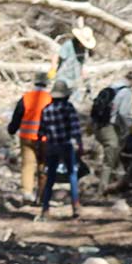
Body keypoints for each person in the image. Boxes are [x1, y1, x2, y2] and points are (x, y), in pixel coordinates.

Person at [37, 81, 85, 221]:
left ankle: (45, 209)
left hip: (52, 146)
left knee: (50, 177)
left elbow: (41, 132)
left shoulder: (46, 109)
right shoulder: (68, 108)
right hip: (66, 145)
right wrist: (80, 145)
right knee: (72, 175)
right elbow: (75, 128)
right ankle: (75, 206)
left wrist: (41, 148)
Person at [6, 75, 53, 204]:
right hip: (44, 139)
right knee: (43, 167)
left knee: (28, 165)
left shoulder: (26, 98)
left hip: (26, 137)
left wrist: (11, 130)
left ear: (35, 83)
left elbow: (17, 116)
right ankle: (42, 196)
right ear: (47, 84)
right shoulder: (50, 99)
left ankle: (27, 193)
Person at [90, 70, 132, 191]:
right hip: (109, 128)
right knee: (110, 159)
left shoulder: (112, 86)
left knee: (114, 155)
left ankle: (117, 180)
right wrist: (131, 127)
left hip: (98, 126)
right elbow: (123, 113)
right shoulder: (126, 92)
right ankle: (102, 190)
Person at [53, 24, 93, 92]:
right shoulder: (68, 45)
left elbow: (83, 65)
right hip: (63, 79)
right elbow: (56, 57)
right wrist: (52, 71)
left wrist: (86, 81)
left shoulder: (84, 50)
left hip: (75, 80)